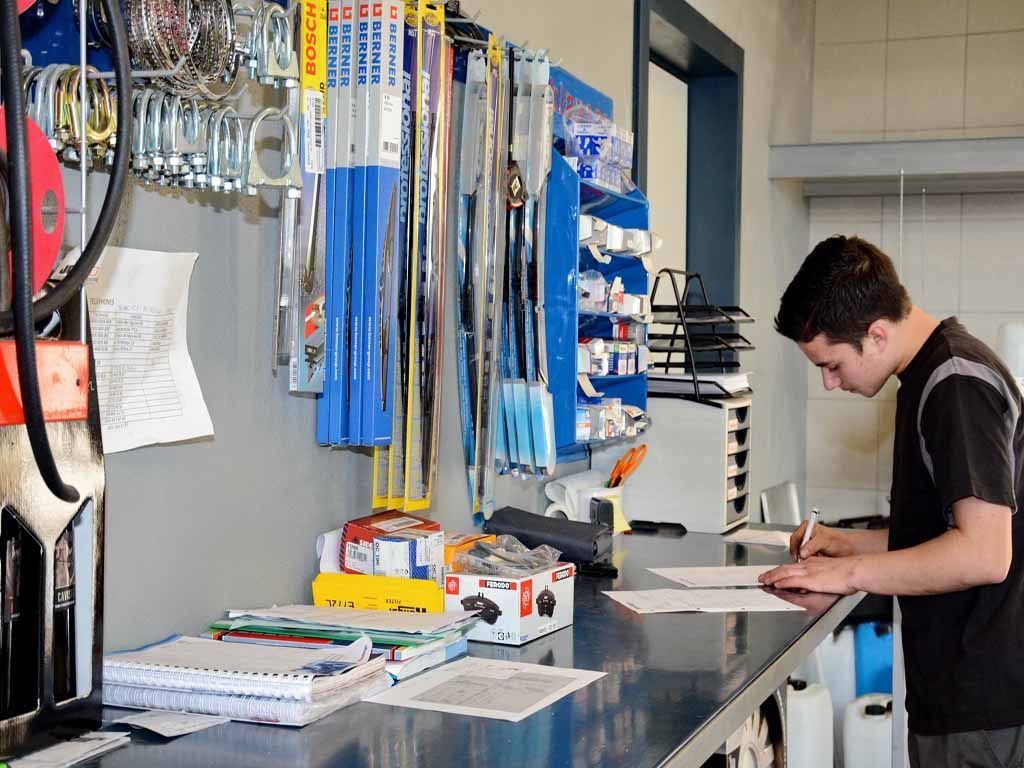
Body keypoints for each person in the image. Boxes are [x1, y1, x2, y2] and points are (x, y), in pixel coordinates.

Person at [760, 235, 1024, 768]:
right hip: (956, 696)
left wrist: (852, 573)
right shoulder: (926, 375)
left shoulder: (955, 383)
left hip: (984, 708)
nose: (830, 384)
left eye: (831, 365)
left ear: (876, 334)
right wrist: (845, 545)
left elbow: (985, 553)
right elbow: (940, 535)